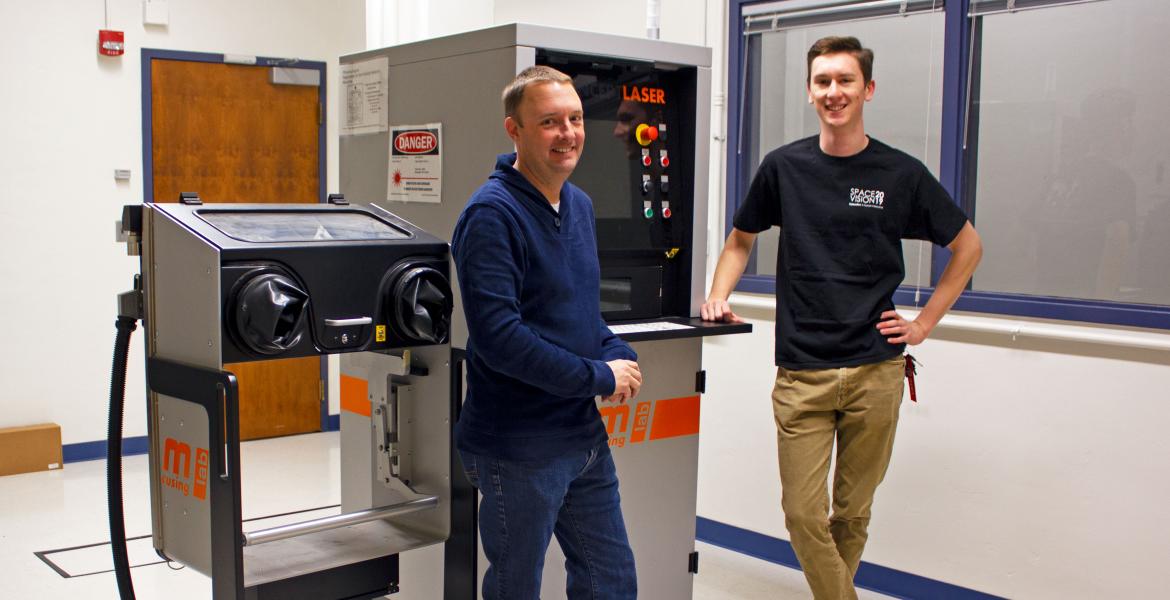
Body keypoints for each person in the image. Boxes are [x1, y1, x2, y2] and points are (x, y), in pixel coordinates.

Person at [701, 37, 983, 599]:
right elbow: (740, 239)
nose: (834, 92)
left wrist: (923, 325)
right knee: (804, 515)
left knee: (852, 514)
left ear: (867, 89)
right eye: (823, 81)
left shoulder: (900, 174)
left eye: (845, 81)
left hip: (876, 372)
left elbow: (968, 246)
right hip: (802, 371)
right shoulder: (784, 168)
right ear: (810, 92)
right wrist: (717, 295)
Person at [451, 65, 642, 600]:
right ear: (514, 130)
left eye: (576, 119)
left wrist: (615, 351)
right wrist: (598, 376)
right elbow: (500, 338)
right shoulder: (492, 215)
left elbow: (579, 313)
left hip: (581, 436)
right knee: (516, 586)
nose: (568, 134)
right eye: (550, 122)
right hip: (518, 446)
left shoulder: (577, 205)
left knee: (612, 580)